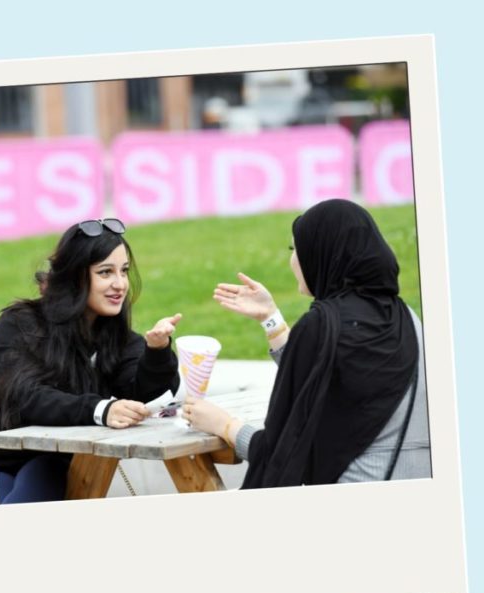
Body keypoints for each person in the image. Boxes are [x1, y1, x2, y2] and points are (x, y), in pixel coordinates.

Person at [183, 199, 430, 487]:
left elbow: (282, 453)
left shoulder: (323, 324)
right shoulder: (405, 317)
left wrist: (225, 425)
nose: (292, 261)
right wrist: (270, 318)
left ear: (322, 253)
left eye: (295, 249)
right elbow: (324, 375)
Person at [0, 218, 182, 503]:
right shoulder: (19, 323)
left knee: (42, 478)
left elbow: (147, 394)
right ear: (76, 277)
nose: (120, 284)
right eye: (105, 272)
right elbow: (26, 396)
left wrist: (158, 351)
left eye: (124, 271)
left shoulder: (119, 337)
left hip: (61, 462)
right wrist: (99, 409)